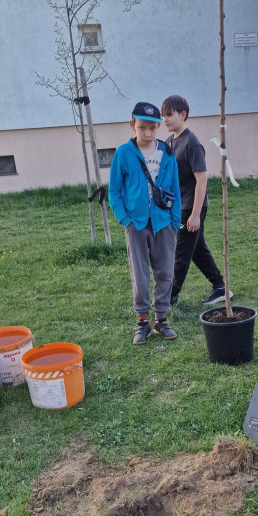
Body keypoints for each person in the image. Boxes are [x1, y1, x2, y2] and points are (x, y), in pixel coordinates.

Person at [109, 102, 181, 345]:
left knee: (166, 273)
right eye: (142, 128)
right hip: (137, 225)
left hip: (163, 224)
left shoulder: (167, 153)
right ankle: (142, 322)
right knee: (139, 275)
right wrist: (125, 220)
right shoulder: (123, 154)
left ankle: (161, 319)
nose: (147, 133)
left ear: (159, 126)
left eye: (152, 128)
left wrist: (174, 221)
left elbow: (175, 190)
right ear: (133, 125)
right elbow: (114, 192)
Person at [160, 95, 232, 306]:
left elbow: (201, 180)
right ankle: (220, 286)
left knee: (181, 250)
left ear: (182, 115)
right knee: (196, 248)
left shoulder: (191, 142)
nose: (165, 119)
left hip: (192, 206)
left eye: (169, 114)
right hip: (178, 206)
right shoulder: (169, 141)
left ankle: (170, 296)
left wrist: (195, 215)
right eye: (163, 115)